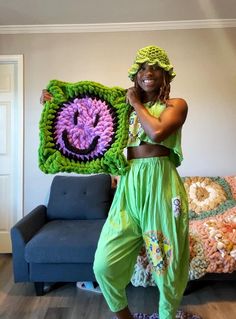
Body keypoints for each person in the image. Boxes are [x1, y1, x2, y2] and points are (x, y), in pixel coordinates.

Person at [40, 45, 190, 319]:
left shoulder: (175, 105)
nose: (148, 73)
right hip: (129, 184)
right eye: (142, 68)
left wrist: (134, 102)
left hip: (162, 186)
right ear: (135, 75)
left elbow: (156, 132)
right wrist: (54, 100)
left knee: (167, 267)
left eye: (155, 67)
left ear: (166, 74)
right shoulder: (123, 108)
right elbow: (86, 114)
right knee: (104, 265)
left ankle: (167, 315)